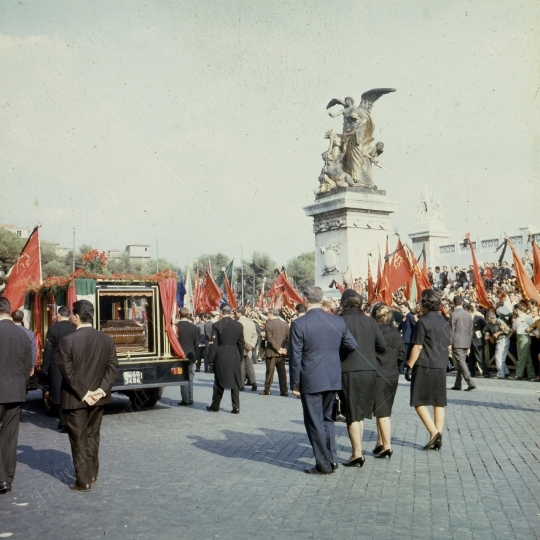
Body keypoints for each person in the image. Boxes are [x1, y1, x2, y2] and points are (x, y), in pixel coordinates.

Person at [289, 286, 357, 474]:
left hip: (311, 378)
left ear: (304, 300)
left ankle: (323, 464)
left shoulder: (299, 324)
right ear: (321, 299)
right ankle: (332, 458)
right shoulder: (337, 321)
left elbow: (294, 357)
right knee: (328, 419)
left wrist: (295, 384)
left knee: (314, 421)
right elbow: (352, 344)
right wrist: (334, 356)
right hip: (332, 376)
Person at [58, 299, 119, 491]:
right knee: (93, 435)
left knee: (78, 439)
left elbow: (67, 372)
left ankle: (82, 480)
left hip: (75, 398)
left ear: (76, 316)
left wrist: (84, 393)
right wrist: (100, 390)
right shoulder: (106, 339)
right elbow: (113, 367)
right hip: (99, 398)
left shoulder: (67, 341)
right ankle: (92, 474)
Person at [338, 290, 386, 467]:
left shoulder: (340, 320)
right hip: (368, 371)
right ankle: (358, 450)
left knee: (351, 412)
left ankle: (357, 453)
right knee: (360, 413)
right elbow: (382, 346)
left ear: (344, 304)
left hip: (347, 370)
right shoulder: (370, 321)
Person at [404, 289, 451, 450]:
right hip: (440, 365)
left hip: (424, 365)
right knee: (439, 402)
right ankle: (437, 435)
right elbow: (448, 345)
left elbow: (417, 347)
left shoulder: (422, 322)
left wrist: (409, 366)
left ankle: (433, 432)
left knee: (418, 401)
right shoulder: (445, 321)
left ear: (425, 304)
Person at [0, 298, 33, 493]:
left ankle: (1, 478)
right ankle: (8, 478)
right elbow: (28, 366)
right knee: (10, 437)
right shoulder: (22, 335)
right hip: (15, 391)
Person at [372, 304, 404, 460]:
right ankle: (380, 441)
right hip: (393, 374)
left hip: (379, 374)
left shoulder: (374, 332)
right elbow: (401, 355)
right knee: (382, 409)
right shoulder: (396, 333)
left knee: (382, 412)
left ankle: (387, 446)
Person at [42, 305, 76, 431]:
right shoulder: (75, 328)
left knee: (58, 394)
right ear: (70, 316)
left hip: (56, 364)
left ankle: (63, 422)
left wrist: (45, 367)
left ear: (59, 315)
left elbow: (49, 349)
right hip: (72, 364)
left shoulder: (53, 329)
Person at [206, 304, 244, 413]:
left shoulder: (217, 325)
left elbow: (214, 344)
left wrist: (210, 360)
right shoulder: (238, 325)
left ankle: (215, 405)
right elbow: (241, 343)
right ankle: (236, 407)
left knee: (218, 381)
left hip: (221, 354)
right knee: (235, 381)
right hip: (234, 353)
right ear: (231, 312)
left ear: (221, 313)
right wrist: (240, 356)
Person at [260, 308, 289, 396]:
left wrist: (277, 349)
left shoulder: (269, 324)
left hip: (271, 352)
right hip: (282, 352)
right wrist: (284, 349)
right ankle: (284, 390)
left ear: (270, 314)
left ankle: (267, 389)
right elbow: (288, 338)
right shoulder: (285, 324)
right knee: (282, 373)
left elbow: (269, 339)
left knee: (269, 372)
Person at [450, 296, 476, 392]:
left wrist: (449, 343)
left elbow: (451, 330)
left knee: (461, 363)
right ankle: (458, 384)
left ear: (454, 303)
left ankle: (470, 382)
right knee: (462, 363)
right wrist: (469, 344)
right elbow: (471, 330)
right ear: (462, 303)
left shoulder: (454, 314)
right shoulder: (468, 314)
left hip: (457, 342)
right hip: (466, 341)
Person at [176, 307, 200, 406]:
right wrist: (197, 357)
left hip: (179, 354)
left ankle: (185, 399)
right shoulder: (194, 327)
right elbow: (196, 343)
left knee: (183, 377)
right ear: (188, 315)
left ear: (179, 315)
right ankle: (191, 398)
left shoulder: (176, 327)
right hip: (191, 354)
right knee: (190, 376)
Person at [483, 310, 511, 379]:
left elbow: (508, 330)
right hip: (498, 341)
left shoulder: (499, 321)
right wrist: (489, 336)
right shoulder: (488, 323)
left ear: (489, 318)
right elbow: (484, 330)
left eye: (487, 318)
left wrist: (499, 332)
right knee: (501, 357)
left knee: (498, 357)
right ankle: (506, 372)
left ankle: (500, 374)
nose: (486, 319)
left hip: (503, 339)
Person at [234, 307, 258, 391]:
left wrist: (245, 344)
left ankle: (241, 384)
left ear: (239, 313)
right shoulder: (251, 323)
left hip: (240, 347)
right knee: (249, 365)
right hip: (249, 348)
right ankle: (253, 382)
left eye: (236, 312)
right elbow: (255, 336)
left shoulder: (237, 323)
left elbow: (237, 337)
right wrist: (251, 344)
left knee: (241, 365)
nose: (235, 313)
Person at [465, 303, 489, 378]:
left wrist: (485, 333)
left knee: (479, 356)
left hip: (478, 340)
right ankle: (471, 372)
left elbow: (487, 326)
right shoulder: (467, 320)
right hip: (470, 340)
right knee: (471, 357)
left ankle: (486, 372)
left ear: (469, 311)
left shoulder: (478, 318)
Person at [512, 303, 535, 380]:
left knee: (521, 357)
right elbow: (514, 329)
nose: (515, 311)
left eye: (515, 310)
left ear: (517, 309)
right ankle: (531, 374)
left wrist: (530, 330)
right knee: (527, 357)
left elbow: (534, 326)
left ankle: (519, 374)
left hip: (525, 337)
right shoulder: (516, 319)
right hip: (519, 337)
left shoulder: (526, 317)